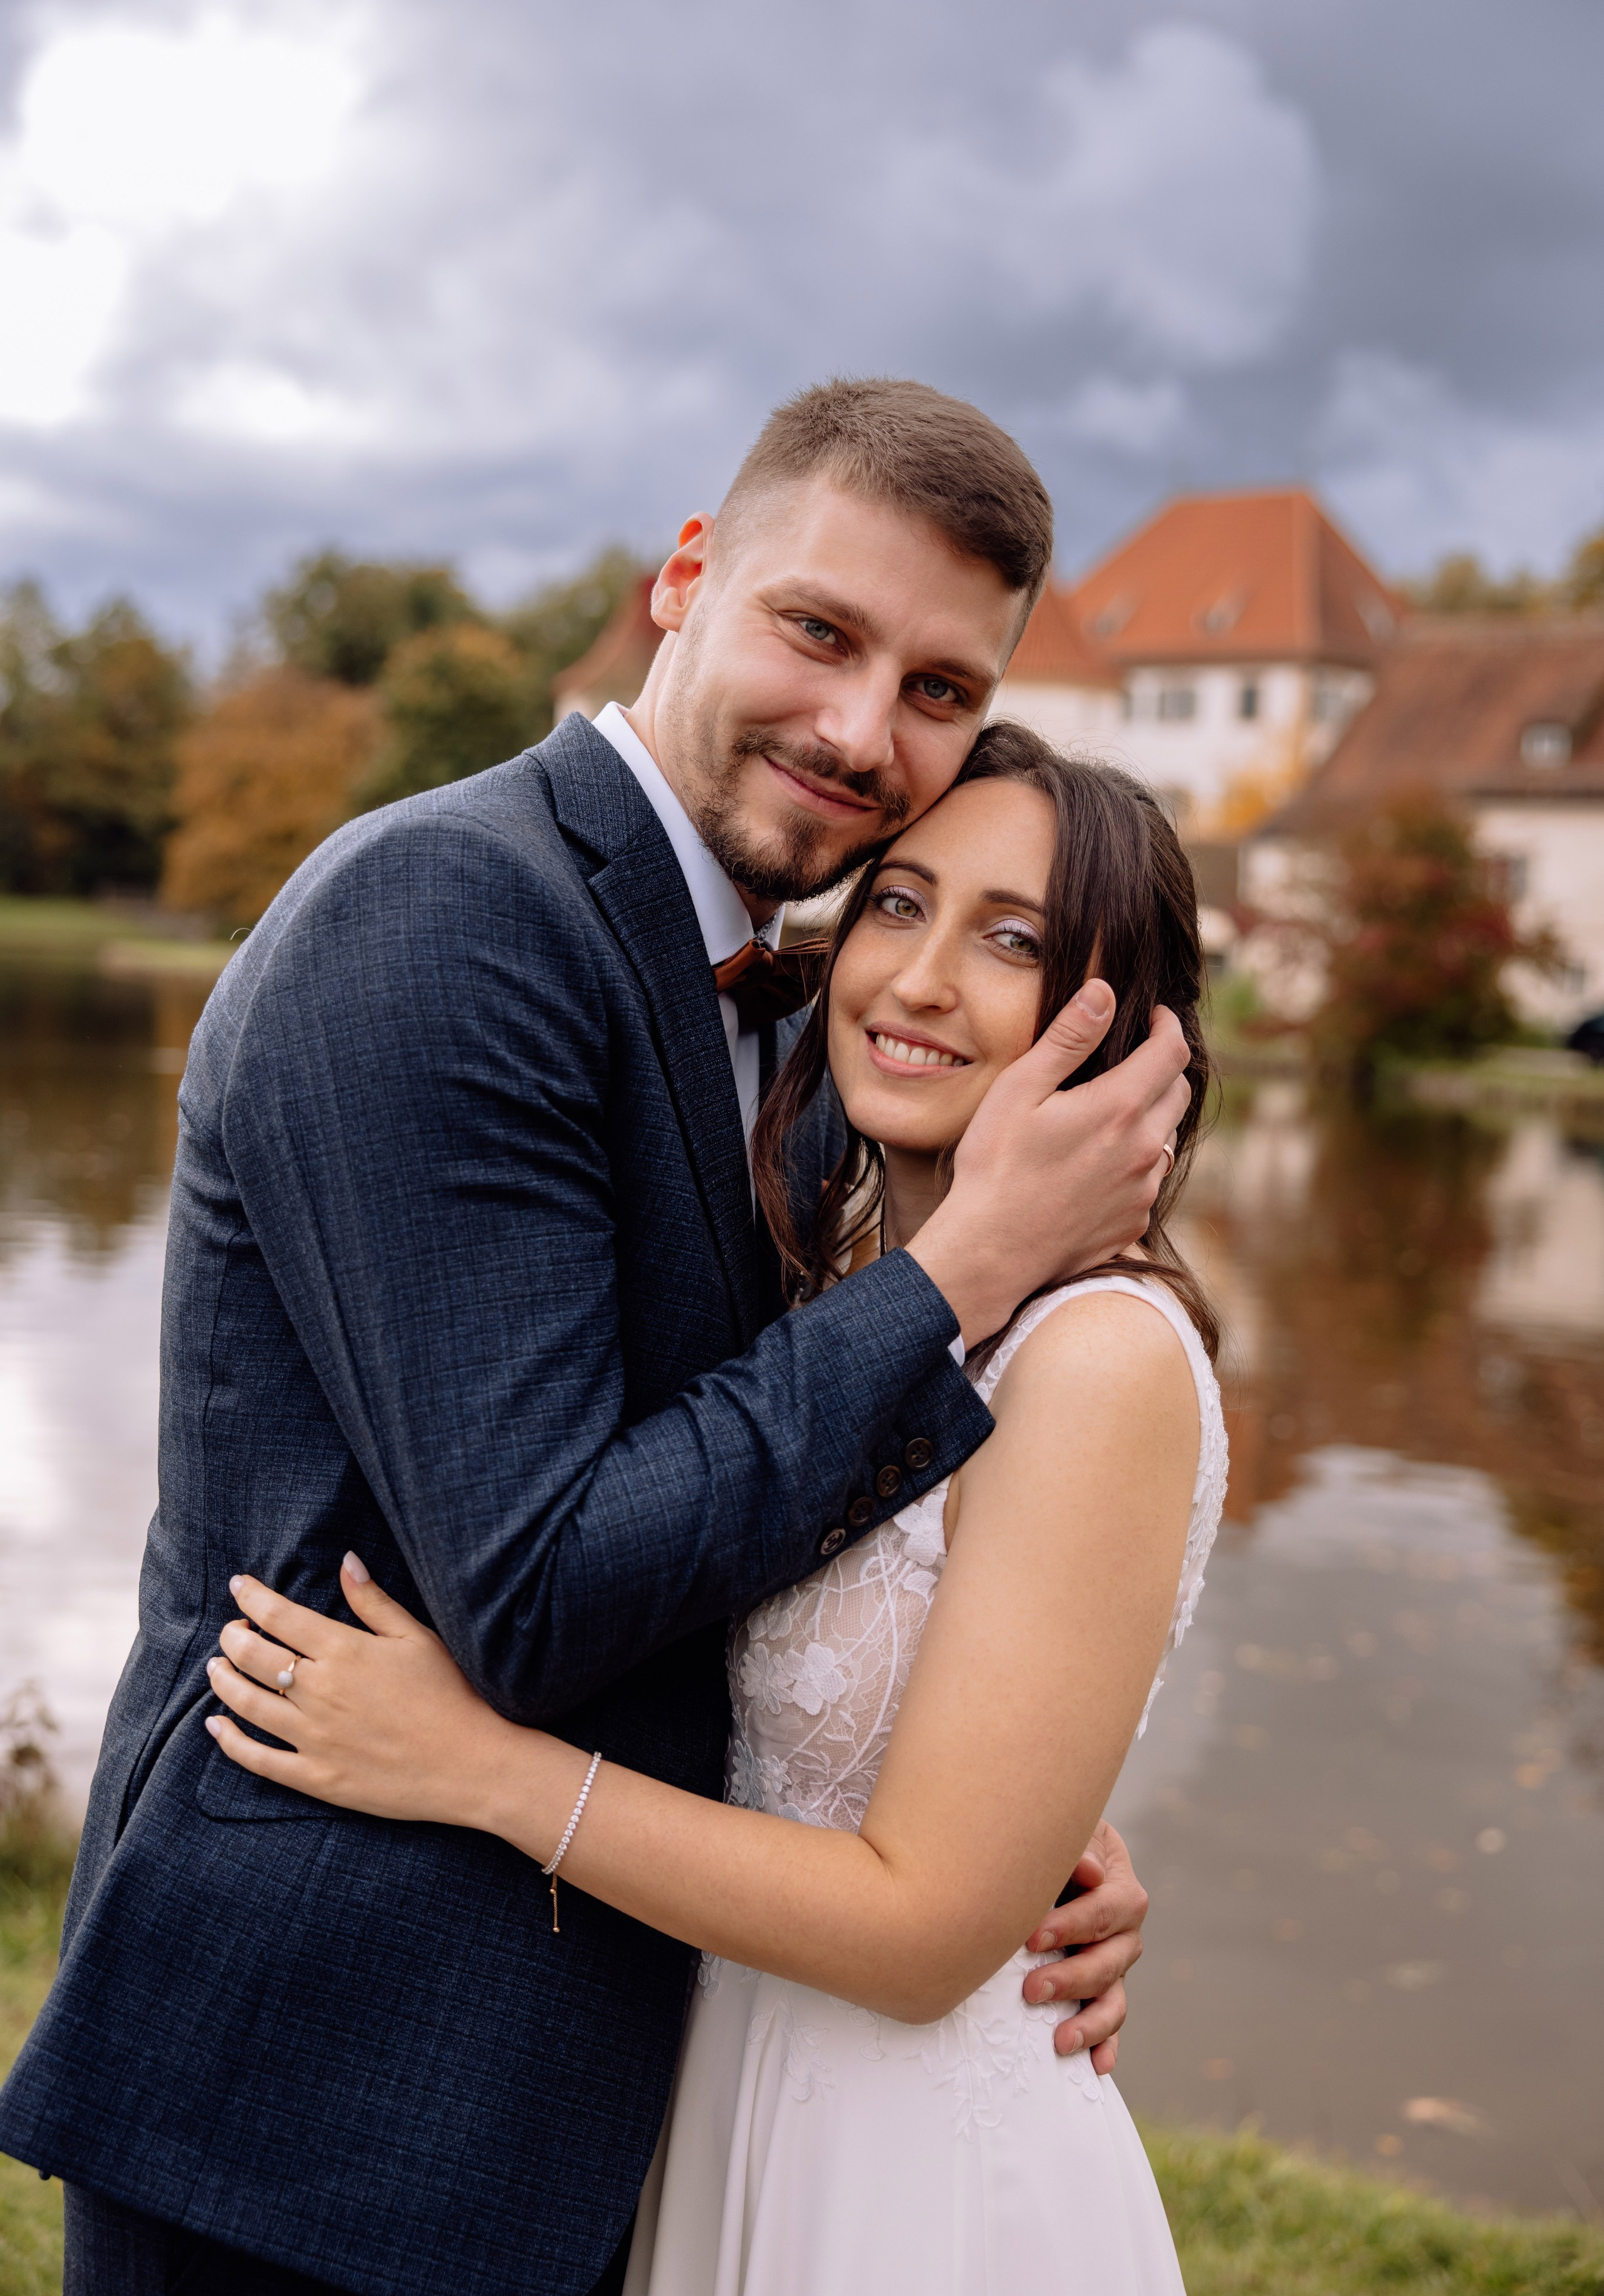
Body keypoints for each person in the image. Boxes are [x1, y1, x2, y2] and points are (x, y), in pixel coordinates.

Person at [0, 381, 1190, 2296]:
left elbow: (759, 1494)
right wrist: (966, 1268)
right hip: (319, 2099)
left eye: (941, 688)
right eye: (820, 629)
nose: (862, 727)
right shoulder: (446, 917)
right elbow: (540, 1580)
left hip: (601, 2089)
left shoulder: (799, 1025)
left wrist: (992, 1801)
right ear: (685, 580)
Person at [204, 724, 1226, 2293]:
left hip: (907, 2179)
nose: (920, 978)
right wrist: (1028, 1806)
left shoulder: (1096, 1356)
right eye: (897, 904)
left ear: (1126, 1036)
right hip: (719, 2094)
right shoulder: (851, 1290)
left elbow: (919, 1931)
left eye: (1010, 940)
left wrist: (478, 1766)